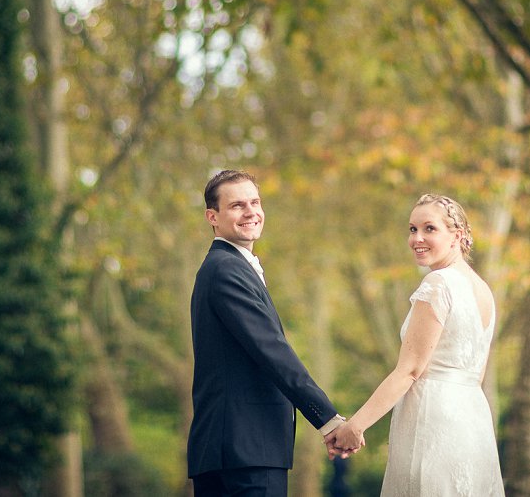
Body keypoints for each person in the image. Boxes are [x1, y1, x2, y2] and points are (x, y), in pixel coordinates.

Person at [326, 194, 505, 496]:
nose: (416, 238)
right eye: (412, 229)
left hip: (433, 421)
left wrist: (355, 426)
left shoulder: (439, 284)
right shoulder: (482, 290)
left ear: (457, 236)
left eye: (429, 229)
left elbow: (409, 370)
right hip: (473, 422)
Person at [188, 169, 353, 496]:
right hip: (243, 452)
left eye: (255, 202)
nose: (250, 212)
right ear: (213, 216)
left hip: (235, 451)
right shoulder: (226, 269)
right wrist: (329, 420)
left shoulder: (227, 266)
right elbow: (273, 353)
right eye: (237, 205)